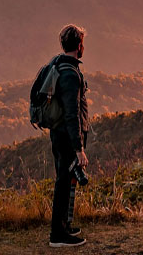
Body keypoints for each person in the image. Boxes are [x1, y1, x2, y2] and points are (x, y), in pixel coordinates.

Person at [39, 24, 89, 247]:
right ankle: (57, 235)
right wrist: (79, 149)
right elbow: (72, 114)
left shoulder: (59, 65)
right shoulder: (70, 74)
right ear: (79, 46)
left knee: (67, 181)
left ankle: (64, 226)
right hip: (67, 136)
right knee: (63, 182)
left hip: (58, 133)